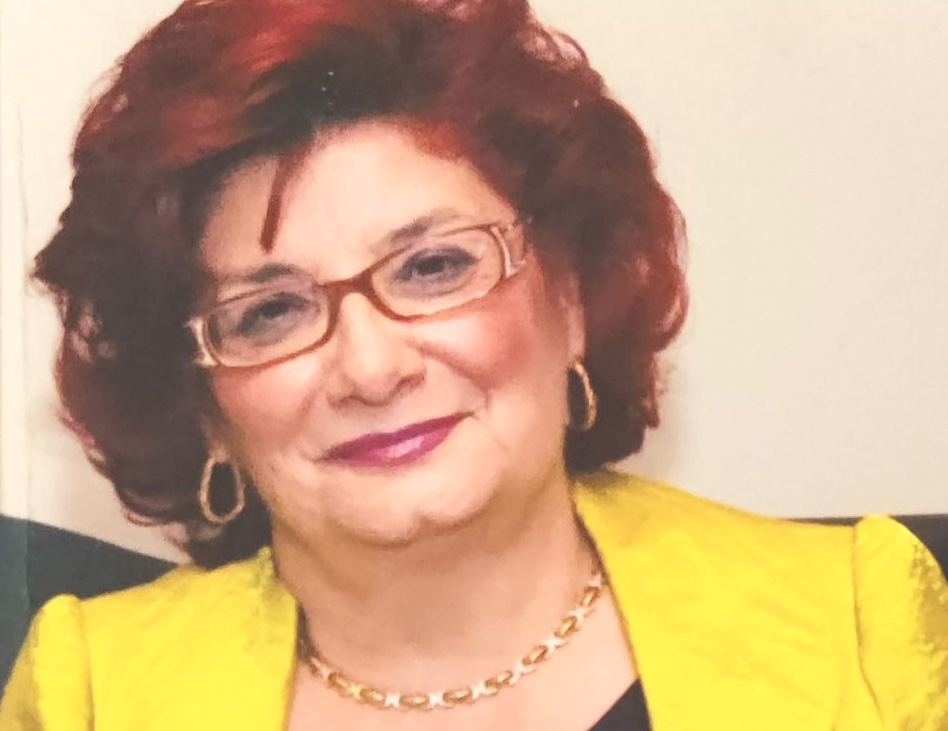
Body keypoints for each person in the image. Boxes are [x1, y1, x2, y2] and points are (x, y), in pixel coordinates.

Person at [1, 0, 946, 728]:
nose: (371, 366)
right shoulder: (98, 692)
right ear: (204, 402)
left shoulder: (854, 624)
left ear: (570, 299)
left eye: (434, 267)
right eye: (271, 312)